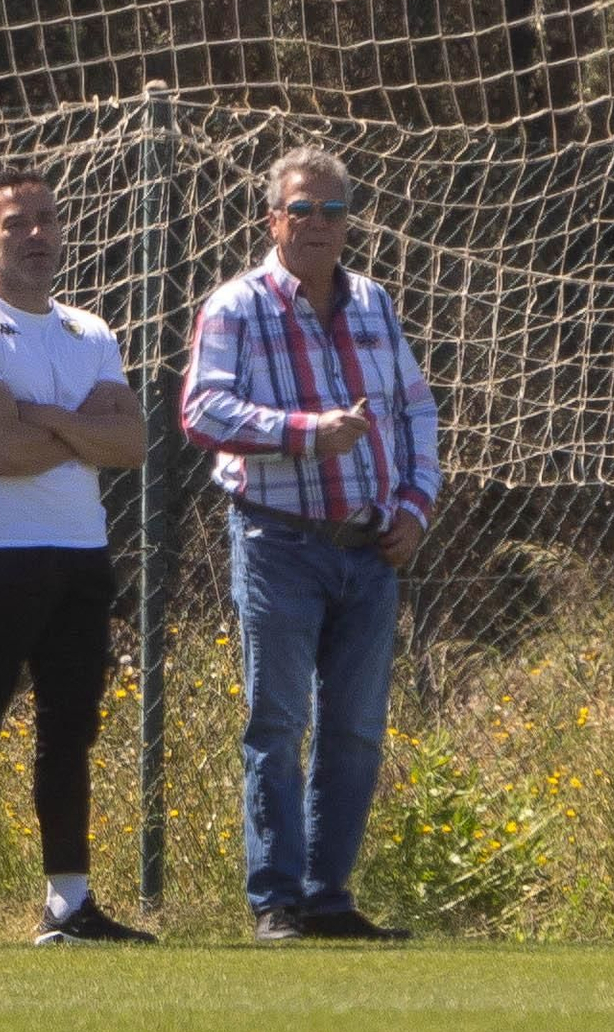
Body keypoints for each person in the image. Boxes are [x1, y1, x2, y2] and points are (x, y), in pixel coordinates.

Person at [181, 145, 441, 944]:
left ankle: (330, 896)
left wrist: (414, 508)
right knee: (278, 721)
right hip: (279, 542)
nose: (319, 225)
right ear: (273, 219)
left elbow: (414, 413)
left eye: (334, 211)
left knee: (358, 728)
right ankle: (277, 901)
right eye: (303, 210)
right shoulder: (236, 306)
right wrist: (303, 435)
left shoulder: (374, 303)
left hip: (369, 549)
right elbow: (202, 411)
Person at [0, 167, 156, 948]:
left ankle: (69, 906)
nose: (36, 235)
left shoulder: (91, 332)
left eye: (47, 220)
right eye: (17, 222)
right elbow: (5, 450)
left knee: (70, 733)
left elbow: (132, 442)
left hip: (82, 556)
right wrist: (74, 425)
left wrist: (44, 416)